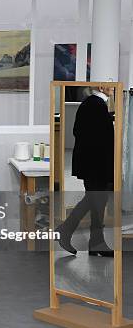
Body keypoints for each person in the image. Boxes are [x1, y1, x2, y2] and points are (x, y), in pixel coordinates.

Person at [56, 86, 114, 258]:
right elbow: (97, 138)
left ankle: (93, 241)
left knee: (97, 199)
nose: (113, 88)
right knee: (97, 198)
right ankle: (82, 236)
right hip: (95, 164)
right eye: (110, 85)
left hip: (93, 163)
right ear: (102, 86)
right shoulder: (95, 105)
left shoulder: (93, 104)